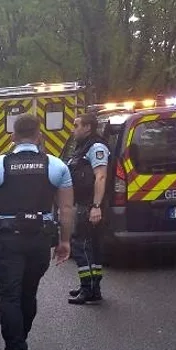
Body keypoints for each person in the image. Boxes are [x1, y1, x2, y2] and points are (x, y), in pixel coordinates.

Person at [0, 113, 74, 350]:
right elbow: (66, 208)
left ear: (13, 137)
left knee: (10, 297)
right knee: (29, 294)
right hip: (39, 240)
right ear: (39, 137)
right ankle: (22, 339)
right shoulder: (57, 166)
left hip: (7, 240)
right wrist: (64, 241)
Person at [65, 112, 109, 304]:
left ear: (88, 128)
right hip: (83, 203)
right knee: (90, 246)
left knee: (80, 245)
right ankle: (93, 287)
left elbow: (100, 176)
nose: (73, 130)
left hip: (89, 204)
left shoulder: (96, 147)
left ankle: (88, 288)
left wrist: (96, 206)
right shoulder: (83, 148)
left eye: (76, 126)